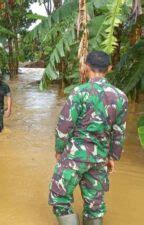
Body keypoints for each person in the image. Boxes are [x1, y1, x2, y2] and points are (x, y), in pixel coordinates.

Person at [48, 51, 128, 225]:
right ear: (109, 68)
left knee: (60, 198)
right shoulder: (120, 96)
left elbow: (64, 125)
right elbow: (119, 132)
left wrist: (59, 150)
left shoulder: (79, 92)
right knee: (95, 205)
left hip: (75, 156)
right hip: (100, 158)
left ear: (86, 66)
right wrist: (112, 157)